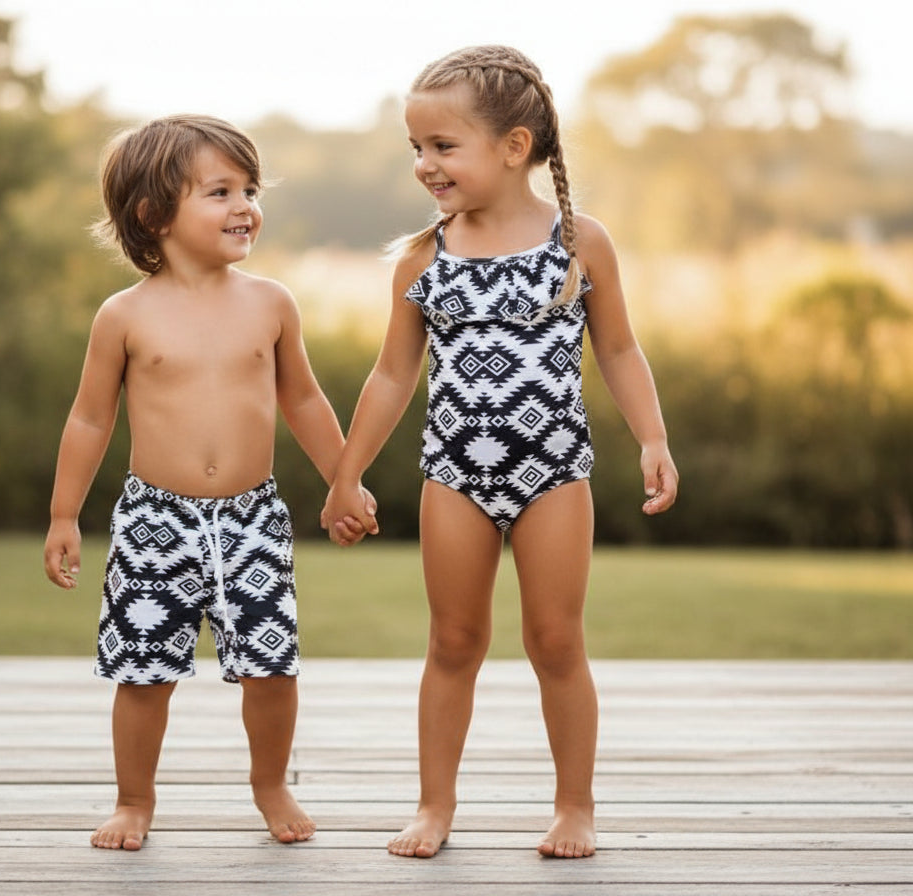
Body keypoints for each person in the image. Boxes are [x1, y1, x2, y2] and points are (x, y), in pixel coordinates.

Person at [321, 45, 679, 859]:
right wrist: (347, 474)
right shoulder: (424, 258)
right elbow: (391, 375)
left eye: (443, 146)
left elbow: (619, 350)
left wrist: (652, 437)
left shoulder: (579, 242)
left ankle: (574, 808)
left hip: (554, 473)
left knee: (556, 642)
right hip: (455, 475)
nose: (424, 164)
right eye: (416, 147)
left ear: (514, 146)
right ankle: (434, 808)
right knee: (452, 643)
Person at [44, 114, 371, 850]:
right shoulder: (124, 316)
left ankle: (271, 784)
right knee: (143, 672)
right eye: (220, 191)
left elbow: (304, 400)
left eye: (250, 190)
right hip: (154, 523)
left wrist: (343, 480)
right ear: (154, 214)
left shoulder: (270, 303)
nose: (244, 206)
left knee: (272, 666)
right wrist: (65, 515)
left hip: (252, 520)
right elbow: (89, 420)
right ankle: (134, 800)